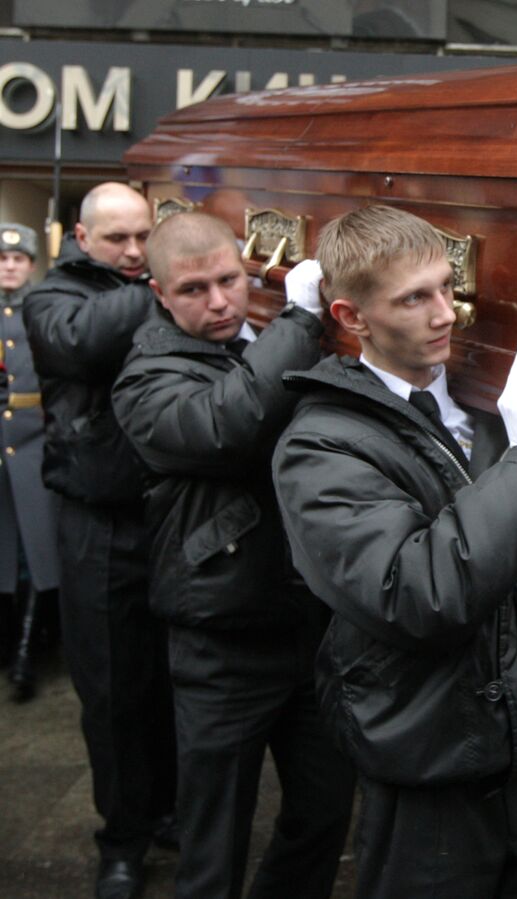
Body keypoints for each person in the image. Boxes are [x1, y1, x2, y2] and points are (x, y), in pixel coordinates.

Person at [271, 205, 517, 898]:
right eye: (415, 298)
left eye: (449, 287)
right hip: (431, 761)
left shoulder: (488, 406)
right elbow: (419, 591)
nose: (446, 313)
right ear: (352, 316)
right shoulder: (321, 443)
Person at [111, 213, 355, 899]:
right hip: (220, 642)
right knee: (213, 838)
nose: (219, 301)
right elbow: (228, 422)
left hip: (309, 626)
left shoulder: (266, 338)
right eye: (194, 289)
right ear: (159, 293)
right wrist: (300, 321)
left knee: (324, 812)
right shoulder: (145, 376)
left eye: (229, 279)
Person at [22, 182, 177, 899]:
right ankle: (122, 836)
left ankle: (169, 809)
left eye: (145, 235)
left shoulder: (152, 282)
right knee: (112, 688)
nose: (135, 250)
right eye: (118, 239)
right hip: (97, 517)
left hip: (169, 510)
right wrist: (171, 276)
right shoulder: (54, 296)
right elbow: (80, 343)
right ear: (83, 239)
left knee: (177, 677)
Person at [0, 223, 61, 702]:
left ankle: (25, 655)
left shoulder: (43, 309)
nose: (10, 266)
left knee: (34, 554)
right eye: (3, 259)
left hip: (36, 442)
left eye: (18, 260)